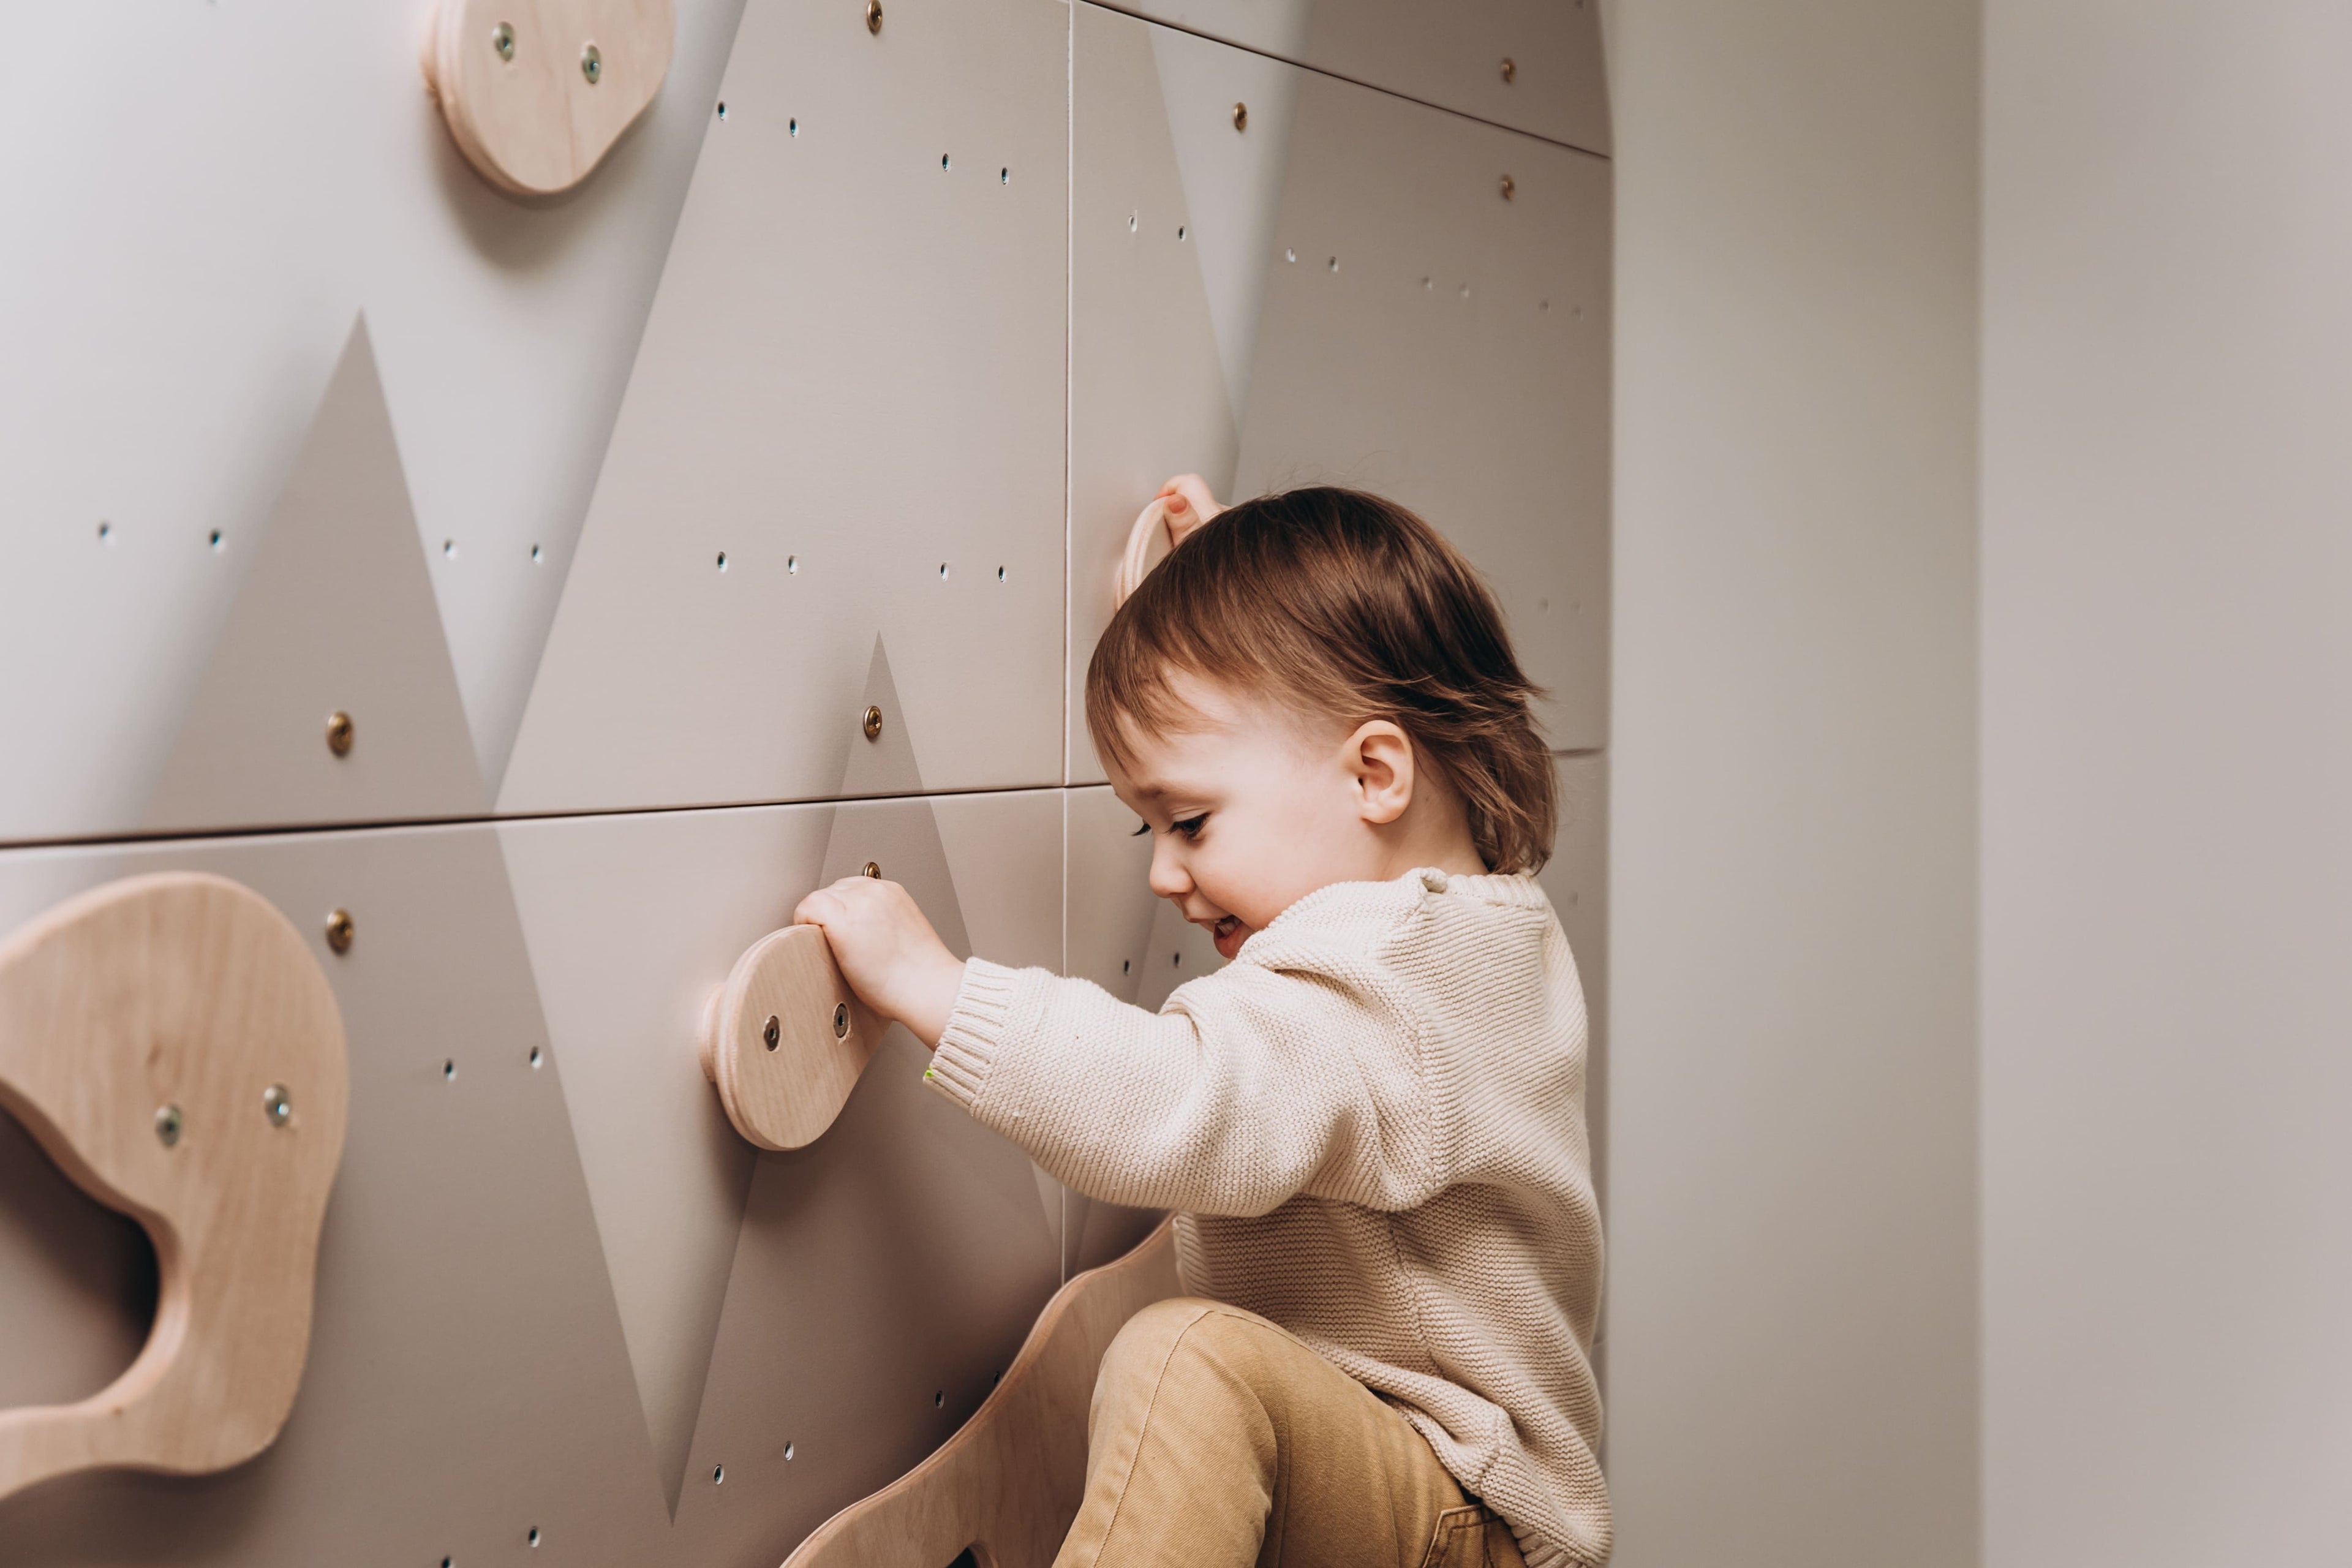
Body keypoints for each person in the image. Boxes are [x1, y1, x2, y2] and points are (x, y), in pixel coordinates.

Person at [796, 478, 1607, 1568]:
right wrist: (1225, 587)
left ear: (1375, 773)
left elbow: (1178, 1098)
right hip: (1445, 1494)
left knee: (1190, 1358)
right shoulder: (1476, 930)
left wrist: (935, 988)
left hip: (1455, 1509)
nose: (1165, 875)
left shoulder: (1376, 990)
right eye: (1149, 831)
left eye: (1189, 820)